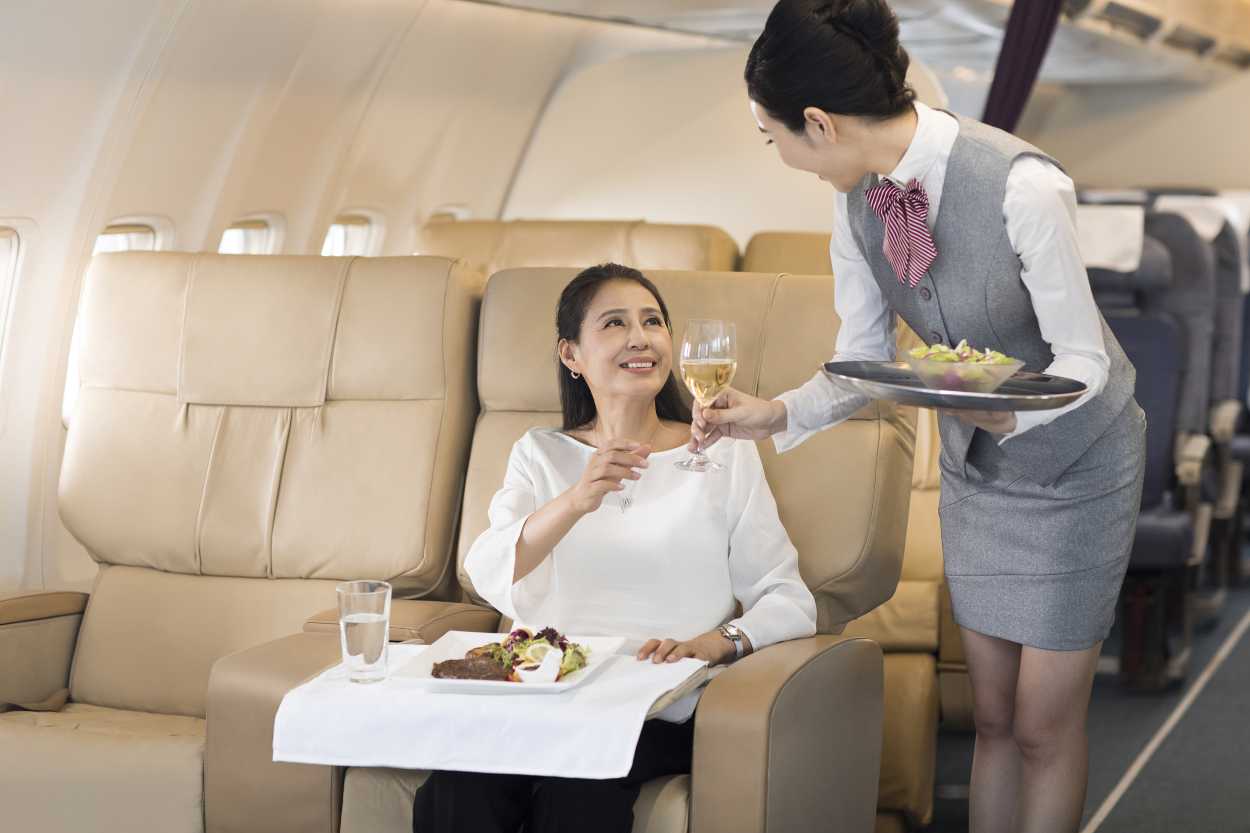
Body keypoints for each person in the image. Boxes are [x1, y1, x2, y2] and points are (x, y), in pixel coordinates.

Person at [690, 2, 1147, 831]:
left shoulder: (1023, 185)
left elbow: (1081, 358)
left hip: (1079, 461)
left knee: (1045, 722)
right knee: (993, 715)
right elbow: (864, 356)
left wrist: (1009, 413)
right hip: (983, 469)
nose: (780, 156)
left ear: (818, 123)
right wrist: (771, 415)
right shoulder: (855, 201)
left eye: (774, 136)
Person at [412, 263, 817, 833]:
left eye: (653, 321)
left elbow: (787, 597)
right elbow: (489, 566)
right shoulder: (540, 453)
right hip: (542, 692)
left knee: (577, 791)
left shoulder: (723, 453)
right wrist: (577, 499)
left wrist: (714, 643)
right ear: (571, 355)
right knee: (455, 789)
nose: (640, 337)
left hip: (655, 701)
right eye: (615, 324)